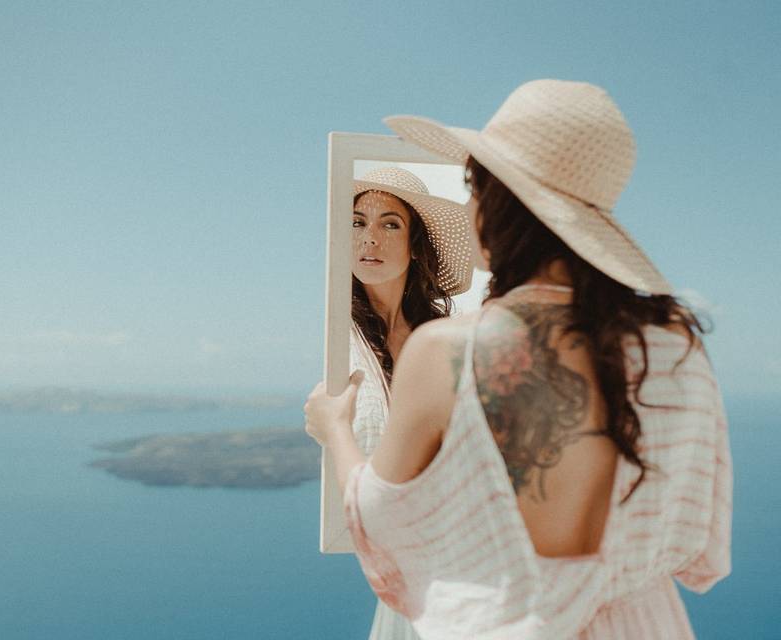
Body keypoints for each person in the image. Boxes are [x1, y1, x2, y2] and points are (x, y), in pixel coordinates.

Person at [305, 80, 732, 639]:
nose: (467, 204)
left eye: (472, 187)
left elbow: (385, 528)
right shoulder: (678, 347)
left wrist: (335, 430)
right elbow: (703, 550)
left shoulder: (446, 351)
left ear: (498, 202)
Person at [347, 166, 473, 639]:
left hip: (456, 549)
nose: (370, 239)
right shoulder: (339, 339)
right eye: (357, 222)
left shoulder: (444, 339)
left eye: (389, 223)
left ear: (414, 242)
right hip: (400, 557)